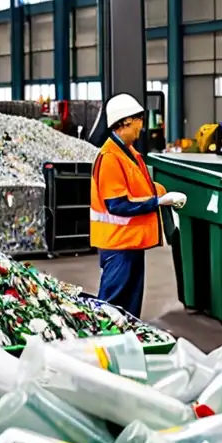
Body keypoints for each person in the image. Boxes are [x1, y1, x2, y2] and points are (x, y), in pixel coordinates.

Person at [90, 93, 186, 318]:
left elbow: (134, 188)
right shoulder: (110, 159)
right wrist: (158, 202)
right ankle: (103, 349)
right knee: (110, 310)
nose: (141, 127)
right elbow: (117, 205)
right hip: (118, 247)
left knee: (129, 312)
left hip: (131, 244)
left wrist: (158, 190)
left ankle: (126, 347)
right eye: (138, 122)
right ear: (123, 123)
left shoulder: (130, 154)